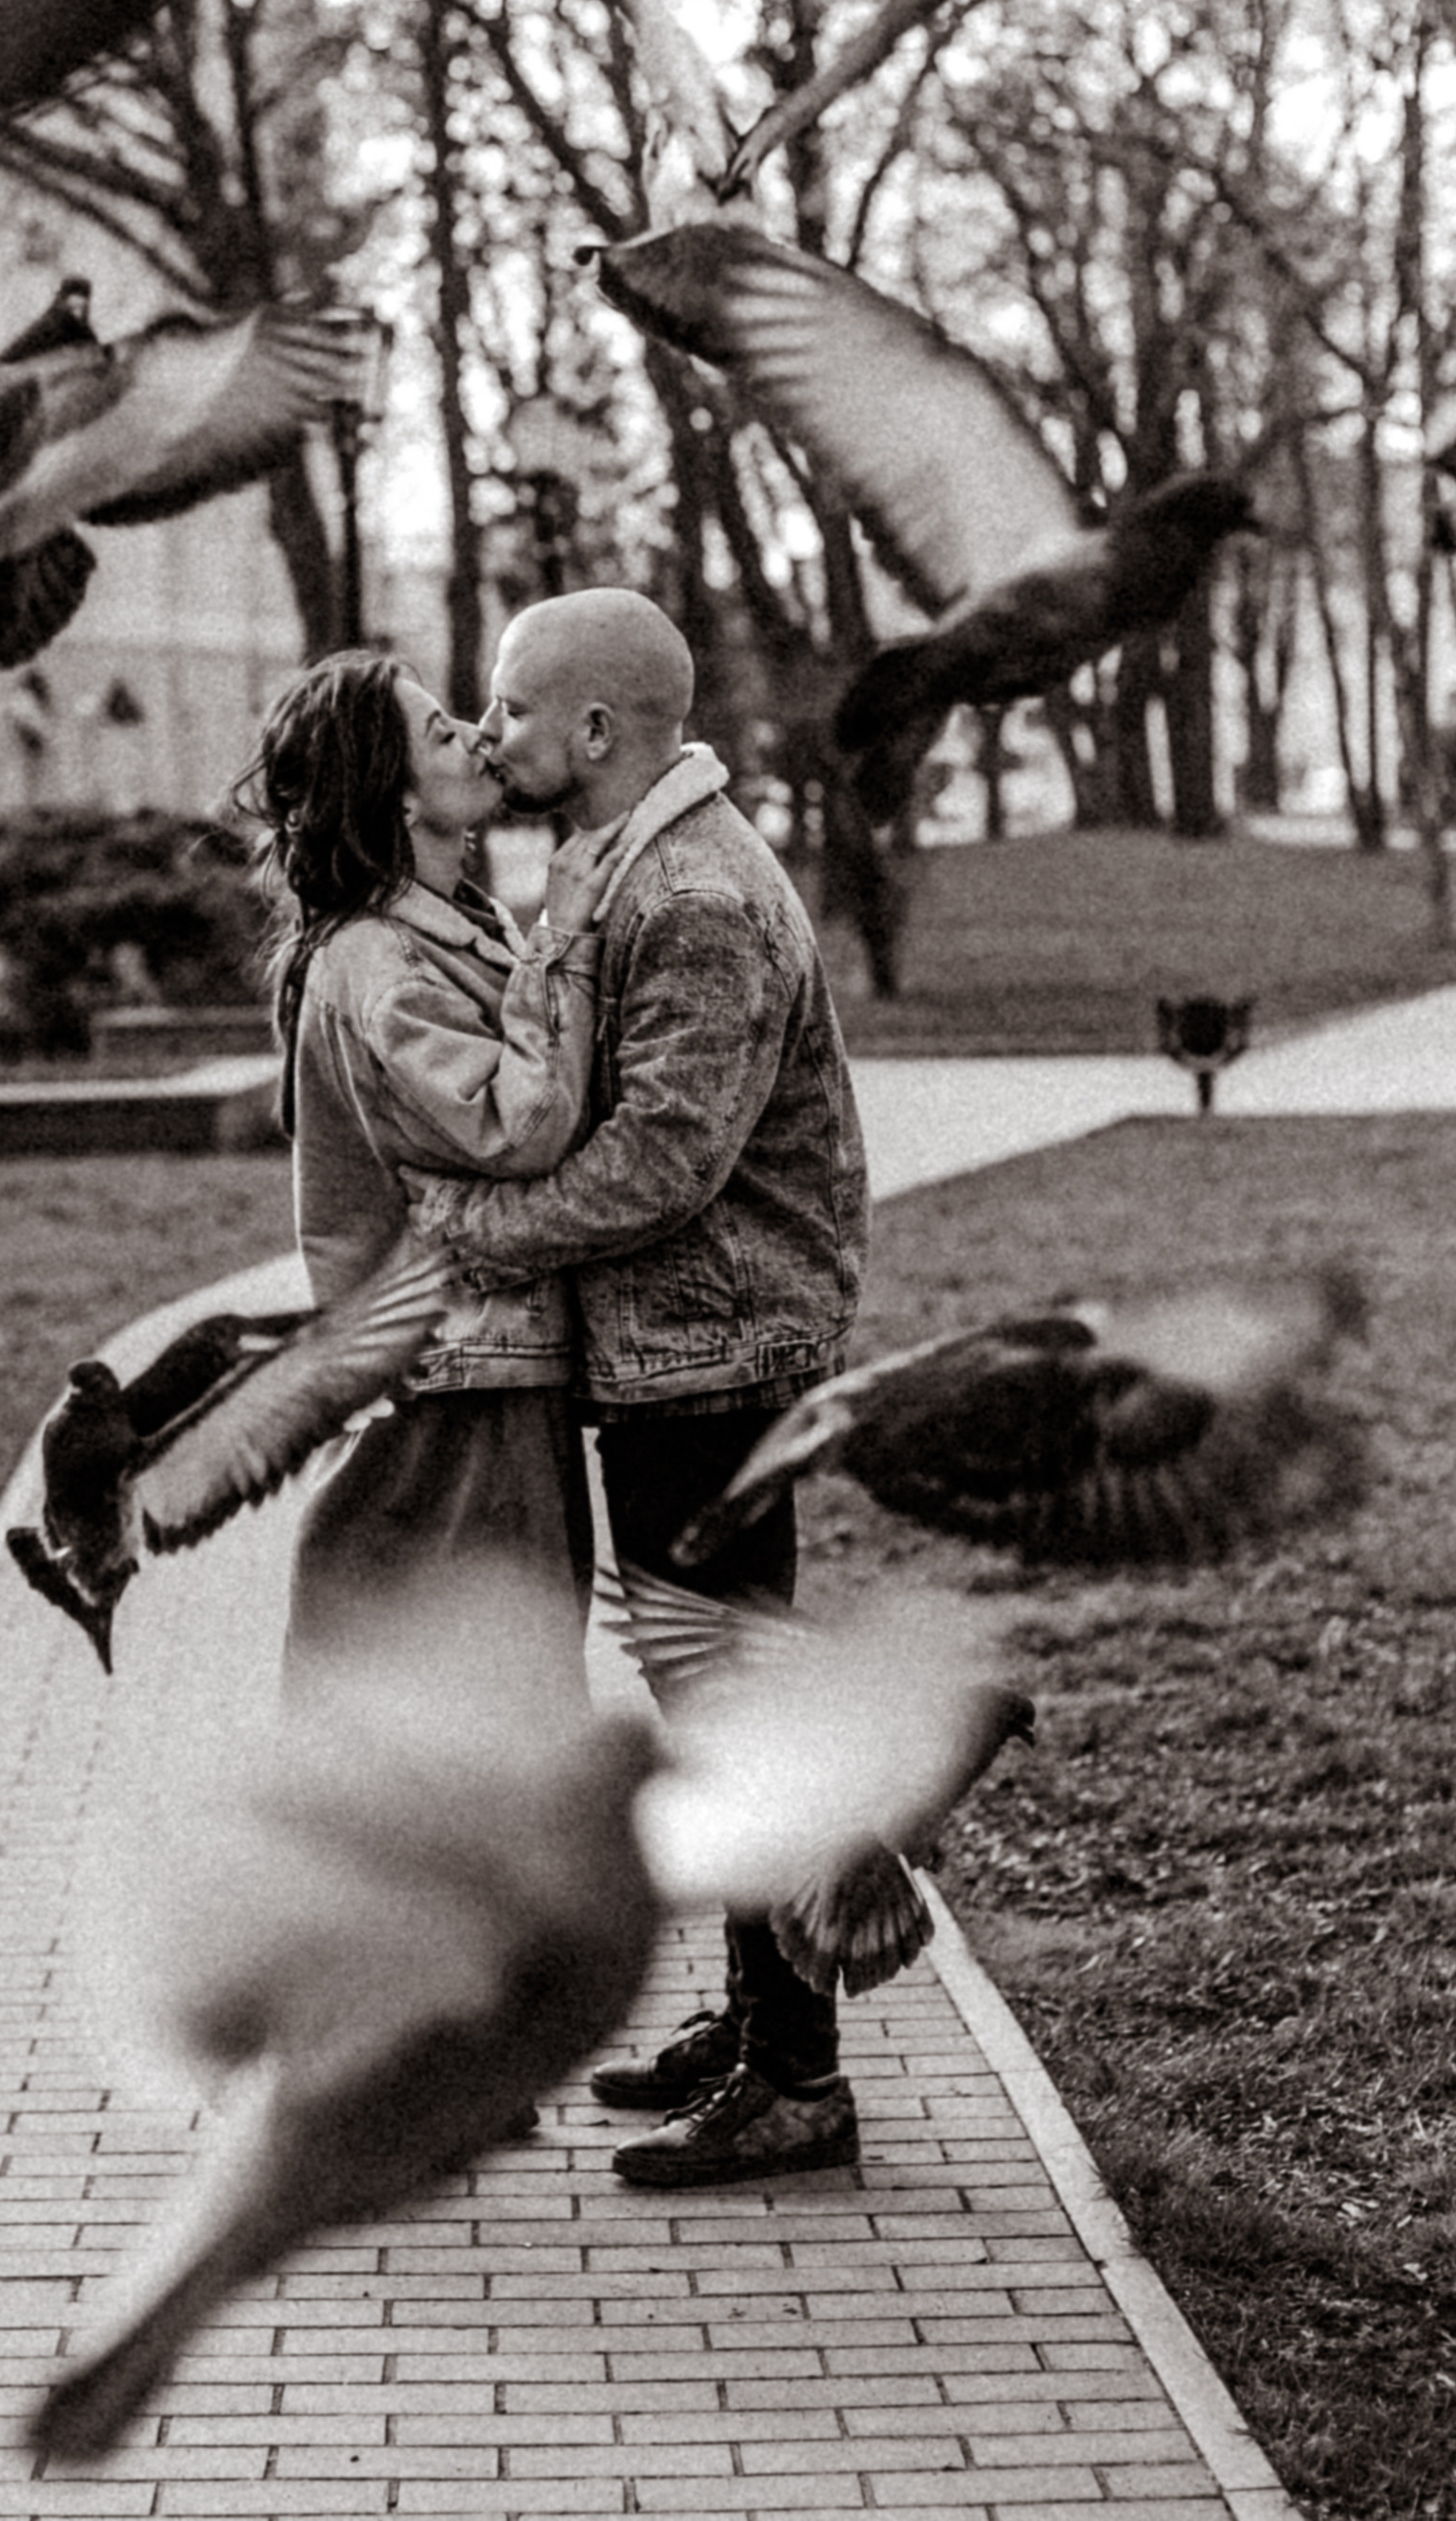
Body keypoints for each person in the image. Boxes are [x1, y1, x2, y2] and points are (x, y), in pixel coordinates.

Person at [404, 587, 871, 2191]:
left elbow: (665, 1162)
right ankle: (758, 2022)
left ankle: (797, 2077)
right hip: (669, 1355)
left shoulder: (691, 891)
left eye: (512, 711)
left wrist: (473, 1231)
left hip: (716, 1357)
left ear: (593, 730)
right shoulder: (611, 860)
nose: (491, 735)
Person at [240, 648, 626, 1700]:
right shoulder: (374, 960)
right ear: (398, 795)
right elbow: (517, 1127)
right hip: (454, 1390)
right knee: (494, 1713)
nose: (473, 734)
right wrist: (568, 944)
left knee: (490, 1698)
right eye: (438, 730)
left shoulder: (448, 927)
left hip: (488, 1377)